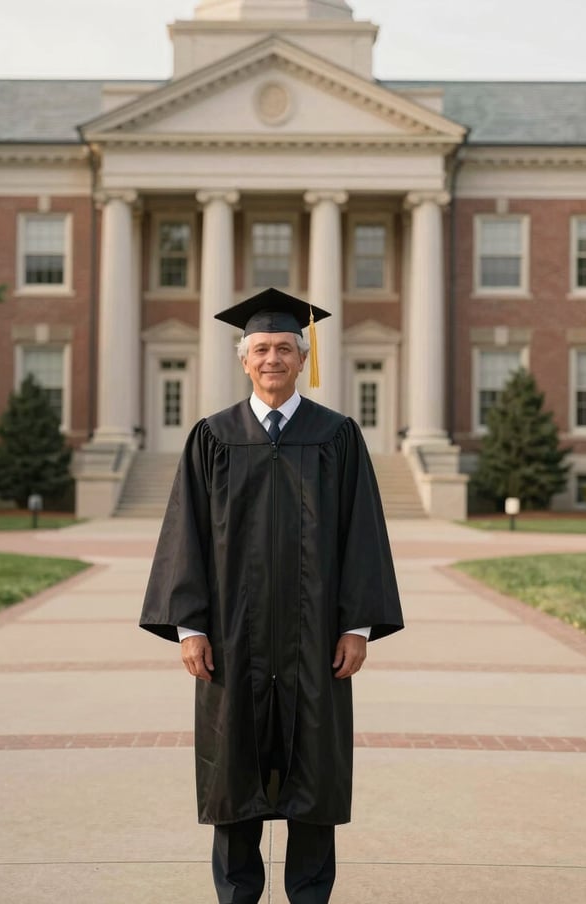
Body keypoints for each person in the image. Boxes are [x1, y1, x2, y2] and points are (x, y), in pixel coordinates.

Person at [140, 287, 403, 904]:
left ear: (302, 357)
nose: (272, 359)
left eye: (284, 348)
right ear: (243, 358)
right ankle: (237, 895)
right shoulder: (212, 438)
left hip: (317, 641)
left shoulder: (337, 437)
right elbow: (187, 536)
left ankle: (310, 894)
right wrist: (189, 627)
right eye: (261, 348)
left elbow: (362, 532)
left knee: (315, 772)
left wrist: (358, 626)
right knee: (235, 772)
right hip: (233, 640)